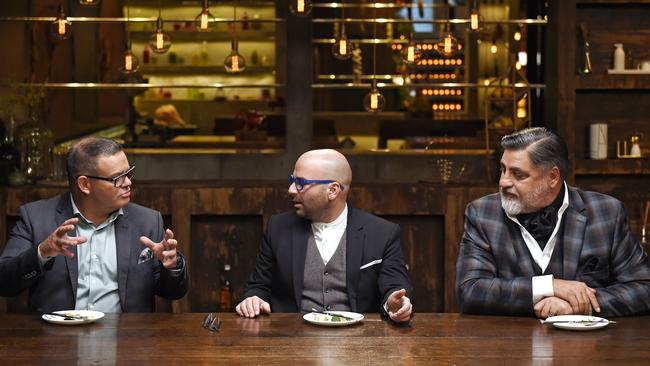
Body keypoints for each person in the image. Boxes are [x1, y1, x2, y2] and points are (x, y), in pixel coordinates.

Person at [456, 127, 650, 318]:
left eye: (518, 174)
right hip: (507, 346)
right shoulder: (482, 213)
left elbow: (644, 287)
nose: (503, 182)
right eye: (503, 170)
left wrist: (580, 305)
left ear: (552, 177)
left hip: (589, 347)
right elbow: (470, 291)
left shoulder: (606, 212)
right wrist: (549, 286)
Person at [0, 137, 188, 313]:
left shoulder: (147, 221)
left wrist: (171, 266)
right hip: (56, 341)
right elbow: (4, 282)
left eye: (128, 173)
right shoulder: (36, 218)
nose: (128, 183)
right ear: (84, 184)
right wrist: (42, 252)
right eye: (117, 178)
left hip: (127, 340)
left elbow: (173, 293)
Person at [235, 149, 413, 323]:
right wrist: (253, 299)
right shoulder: (278, 227)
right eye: (292, 180)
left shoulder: (382, 233)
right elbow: (258, 286)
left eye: (300, 183)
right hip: (291, 340)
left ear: (333, 190)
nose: (290, 190)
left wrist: (394, 304)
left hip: (359, 343)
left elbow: (395, 288)